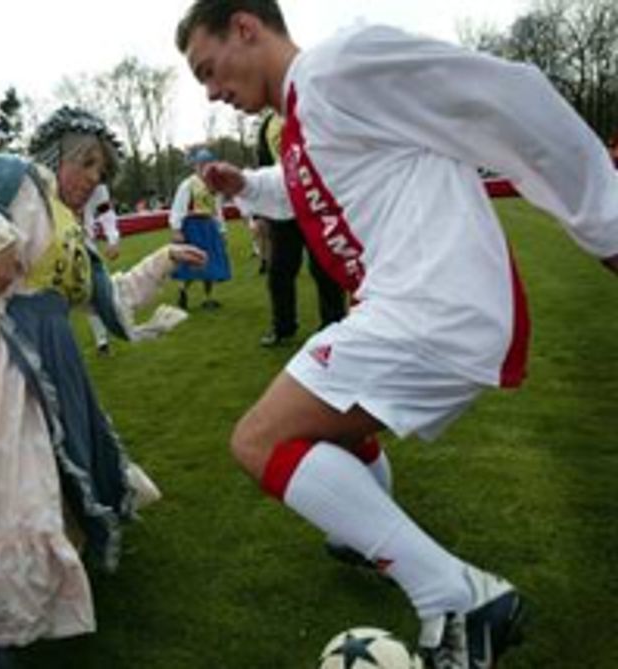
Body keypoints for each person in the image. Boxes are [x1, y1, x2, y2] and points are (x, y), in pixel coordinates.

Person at [175, 2, 618, 667]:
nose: (210, 91)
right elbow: (319, 188)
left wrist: (607, 223)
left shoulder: (336, 69)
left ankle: (457, 596)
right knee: (332, 422)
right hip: (422, 305)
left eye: (209, 70)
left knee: (260, 439)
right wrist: (250, 185)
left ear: (245, 26)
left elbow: (508, 93)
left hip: (431, 305)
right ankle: (363, 527)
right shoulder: (305, 114)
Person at [0, 106, 205, 668]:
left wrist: (162, 260)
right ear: (59, 154)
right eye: (87, 163)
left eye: (102, 172)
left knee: (51, 477)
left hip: (48, 365)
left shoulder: (69, 228)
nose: (93, 179)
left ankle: (44, 589)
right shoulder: (14, 178)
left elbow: (111, 297)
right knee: (8, 501)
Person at [251, 110, 344, 347]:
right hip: (282, 210)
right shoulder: (267, 124)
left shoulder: (307, 109)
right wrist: (259, 211)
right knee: (279, 272)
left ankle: (333, 323)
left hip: (315, 205)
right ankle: (283, 327)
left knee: (325, 268)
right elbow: (263, 166)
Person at [169, 147, 231, 309]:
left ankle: (208, 298)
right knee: (190, 261)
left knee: (210, 262)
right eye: (201, 164)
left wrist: (222, 230)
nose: (205, 167)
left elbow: (217, 209)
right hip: (192, 226)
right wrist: (176, 229)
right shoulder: (188, 184)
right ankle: (182, 292)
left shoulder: (214, 185)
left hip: (209, 226)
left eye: (208, 163)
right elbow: (178, 207)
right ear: (195, 165)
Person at [81, 182, 121, 354]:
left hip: (85, 244)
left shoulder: (98, 185)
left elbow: (105, 211)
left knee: (94, 294)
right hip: (52, 246)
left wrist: (113, 239)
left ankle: (102, 341)